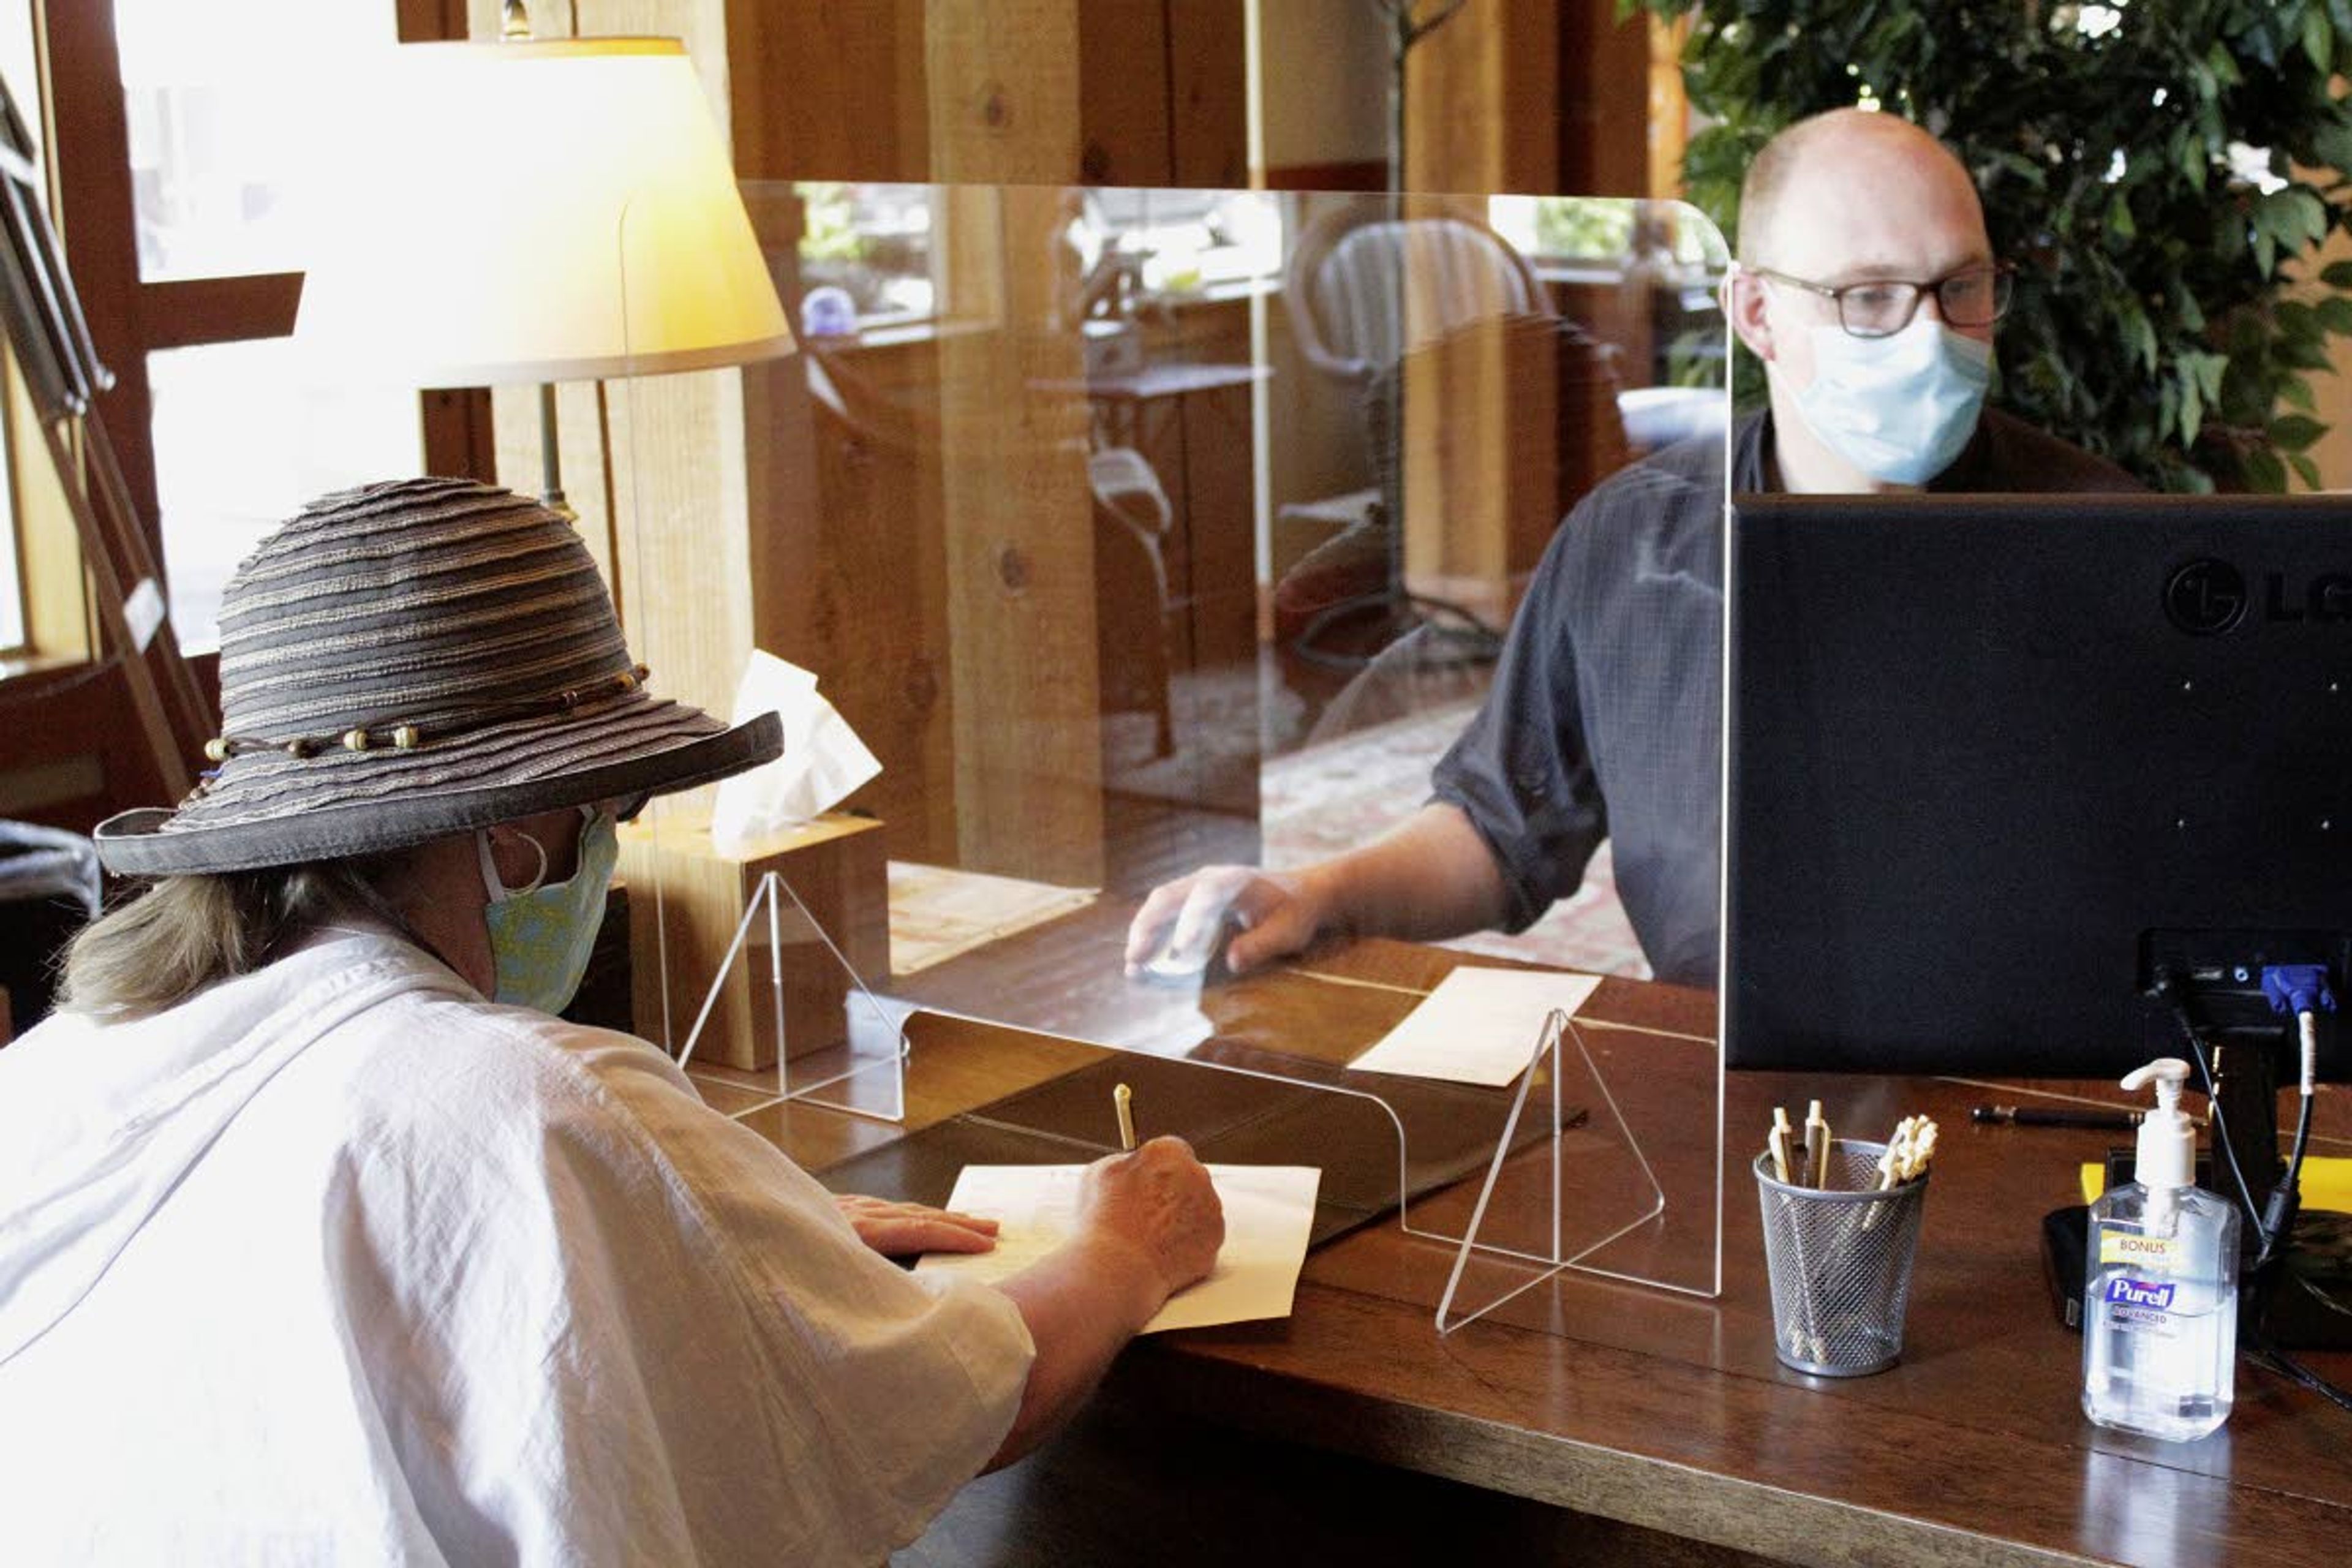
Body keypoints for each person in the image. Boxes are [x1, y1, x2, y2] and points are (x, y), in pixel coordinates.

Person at [0, 477, 1223, 1565]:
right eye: (612, 814)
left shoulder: (50, 1075)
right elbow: (953, 1404)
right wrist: (1125, 1252)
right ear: (520, 832)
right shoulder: (537, 1104)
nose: (606, 852)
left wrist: (704, 1245)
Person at [1128, 107, 2140, 990]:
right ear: (1754, 313)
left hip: (2032, 1099)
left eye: (1961, 287)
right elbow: (1501, 826)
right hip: (1725, 1095)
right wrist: (1316, 891)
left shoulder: (2109, 542)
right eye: (1869, 297)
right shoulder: (1636, 542)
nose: (1932, 335)